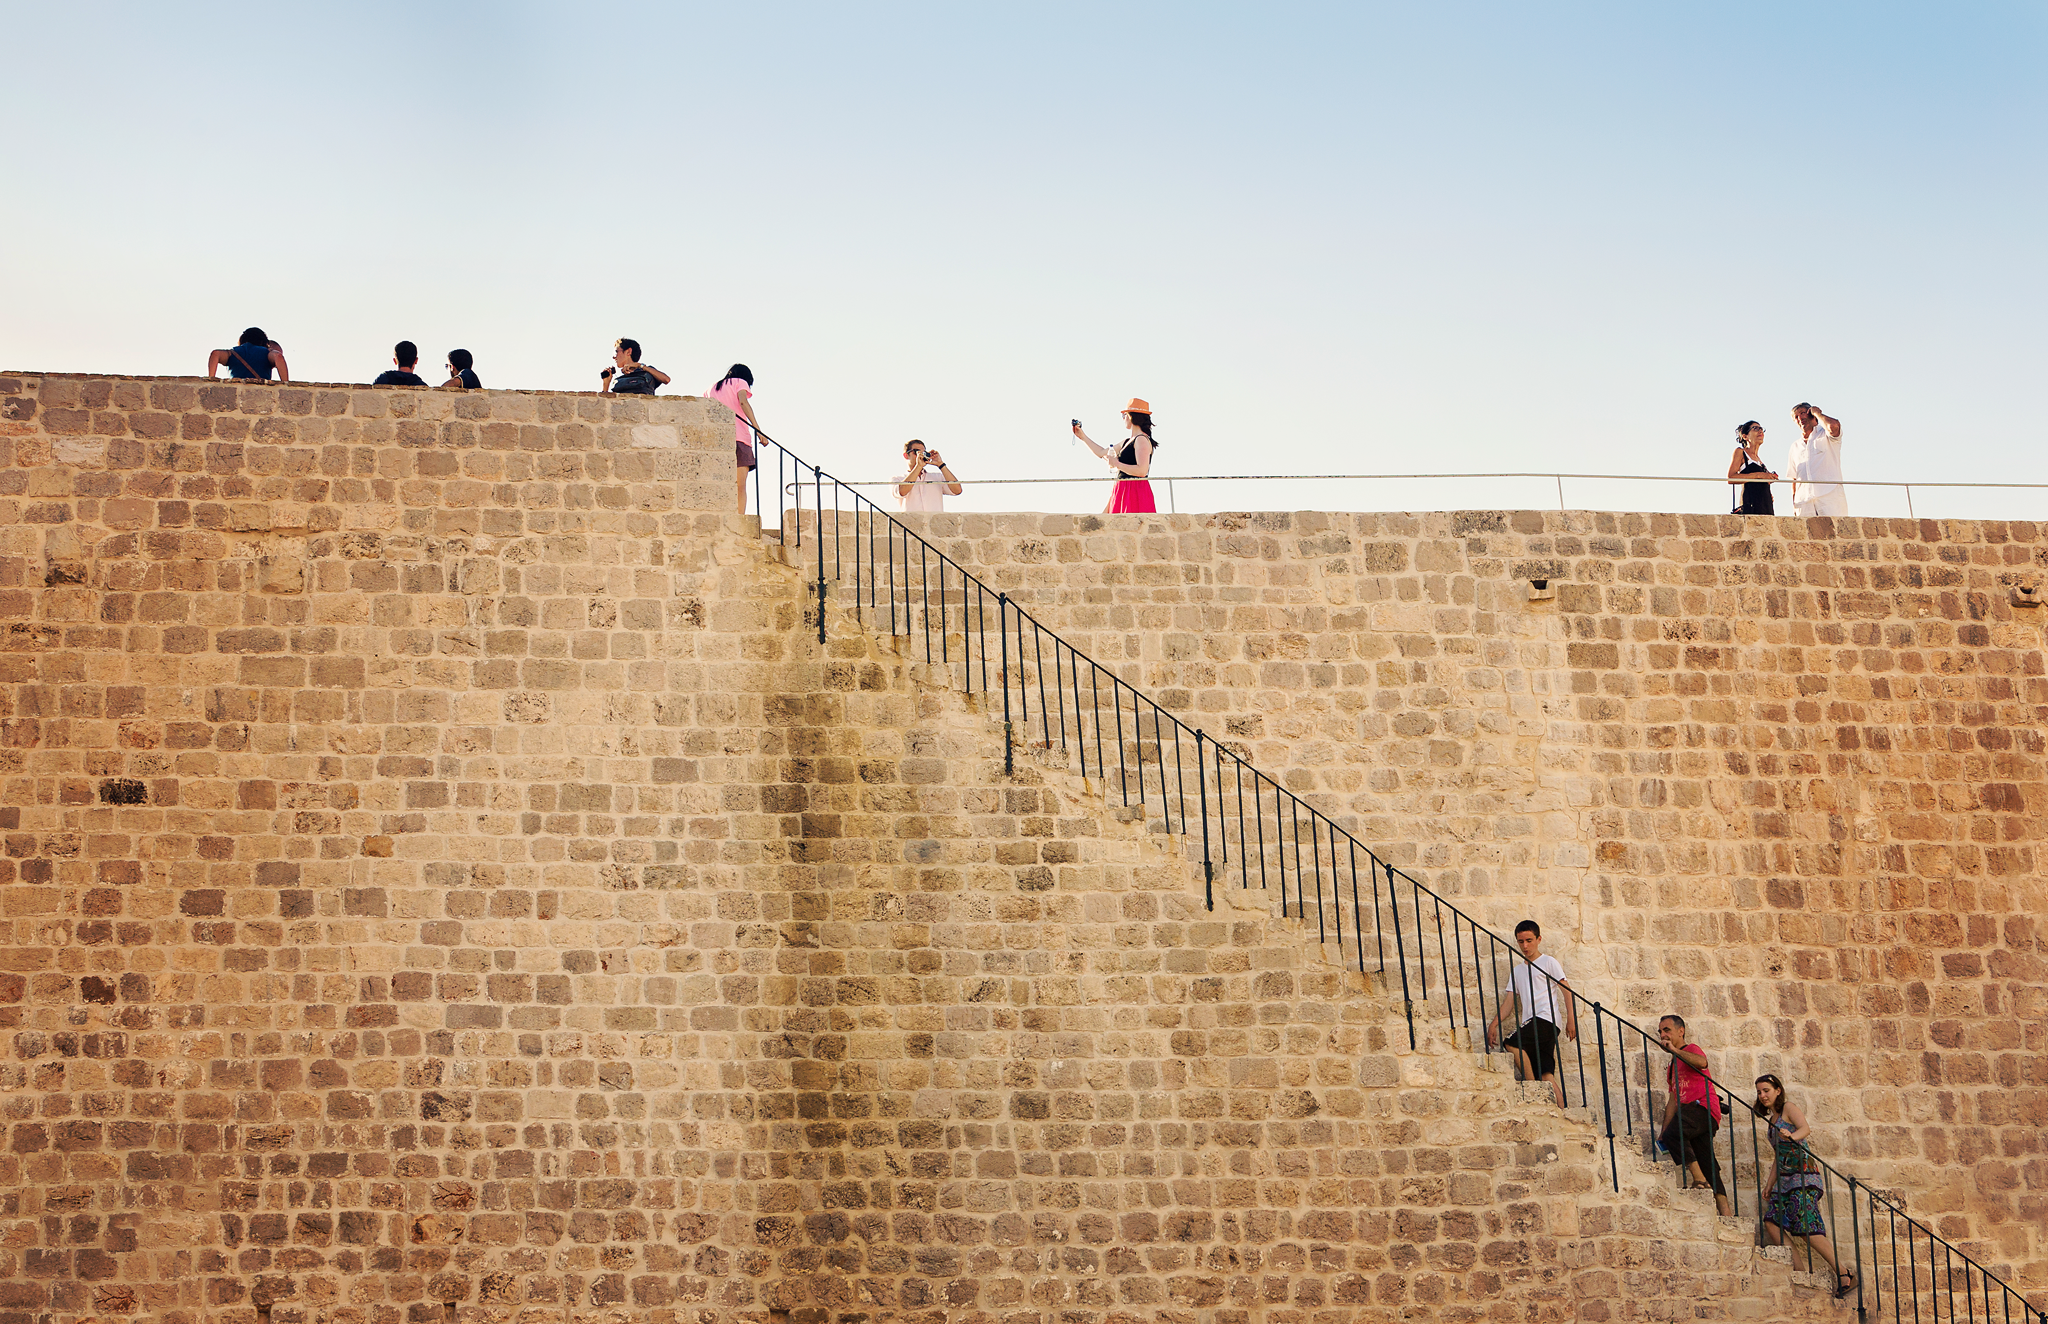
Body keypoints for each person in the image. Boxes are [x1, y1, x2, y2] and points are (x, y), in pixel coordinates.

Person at [1754, 1074, 1856, 1299]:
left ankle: (1843, 1272)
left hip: (1803, 1175)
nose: (1762, 1095)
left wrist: (1792, 1135)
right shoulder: (1772, 1121)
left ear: (1777, 1090)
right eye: (1759, 1092)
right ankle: (1800, 1273)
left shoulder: (1789, 1108)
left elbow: (1805, 1129)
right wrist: (1769, 1185)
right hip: (1784, 1180)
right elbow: (1777, 1156)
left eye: (1766, 1090)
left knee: (1805, 1225)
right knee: (1772, 1222)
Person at [1483, 920, 1577, 1106]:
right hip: (1534, 1023)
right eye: (1520, 941)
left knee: (1512, 1043)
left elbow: (1567, 991)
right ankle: (1564, 1114)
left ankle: (1534, 1092)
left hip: (1546, 1019)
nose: (1525, 946)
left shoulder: (1548, 962)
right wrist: (1493, 1024)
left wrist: (1571, 1020)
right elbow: (1509, 1003)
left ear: (1538, 939)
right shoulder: (1517, 971)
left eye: (1529, 940)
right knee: (1545, 1073)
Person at [1657, 1014, 1731, 1216]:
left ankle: (1699, 1181)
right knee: (1706, 1160)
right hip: (1691, 1115)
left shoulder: (1690, 1050)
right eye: (1661, 1031)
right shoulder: (1672, 1067)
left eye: (1667, 1030)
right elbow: (1673, 1099)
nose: (1663, 1034)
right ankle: (1727, 1214)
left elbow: (1702, 1062)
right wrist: (1664, 1131)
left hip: (1703, 1108)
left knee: (1676, 1133)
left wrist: (1674, 1050)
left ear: (1681, 1031)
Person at [1071, 398, 1158, 514]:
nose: (1123, 418)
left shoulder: (1141, 439)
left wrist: (1116, 463)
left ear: (1131, 416)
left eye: (1124, 415)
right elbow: (1102, 452)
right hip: (1122, 489)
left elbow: (1142, 470)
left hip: (1134, 491)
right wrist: (1082, 436)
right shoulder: (1127, 441)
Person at [707, 365, 761, 515]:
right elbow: (743, 402)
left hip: (717, 439)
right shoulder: (740, 382)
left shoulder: (712, 388)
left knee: (719, 483)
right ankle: (739, 517)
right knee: (740, 485)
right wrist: (758, 431)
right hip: (739, 438)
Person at [1786, 402, 1846, 516]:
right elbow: (1794, 478)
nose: (1800, 418)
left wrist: (1818, 414)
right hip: (1804, 503)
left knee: (1836, 533)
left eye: (1802, 413)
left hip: (1830, 498)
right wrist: (1794, 503)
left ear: (1811, 413)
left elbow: (1834, 426)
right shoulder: (1795, 446)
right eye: (1796, 417)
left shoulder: (1825, 434)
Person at [896, 441, 962, 512]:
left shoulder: (937, 477)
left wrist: (941, 464)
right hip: (910, 522)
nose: (920, 455)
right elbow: (902, 491)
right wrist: (918, 466)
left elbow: (957, 490)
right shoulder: (898, 479)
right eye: (916, 451)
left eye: (924, 452)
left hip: (934, 522)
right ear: (906, 455)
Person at [1727, 421, 1776, 514]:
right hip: (1750, 506)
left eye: (1761, 429)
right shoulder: (1741, 452)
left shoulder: (1760, 462)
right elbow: (1731, 477)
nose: (1760, 431)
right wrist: (1759, 475)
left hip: (1766, 507)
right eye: (1756, 428)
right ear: (1745, 436)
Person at [207, 328, 289, 382]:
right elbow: (278, 357)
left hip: (237, 391)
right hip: (261, 391)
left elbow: (215, 354)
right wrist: (285, 384)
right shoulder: (266, 352)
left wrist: (211, 379)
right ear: (263, 341)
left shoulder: (233, 352)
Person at [599, 339, 670, 395]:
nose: (614, 357)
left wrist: (641, 366)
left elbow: (666, 379)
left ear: (628, 351)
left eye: (616, 351)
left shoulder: (646, 372)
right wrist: (606, 385)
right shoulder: (619, 380)